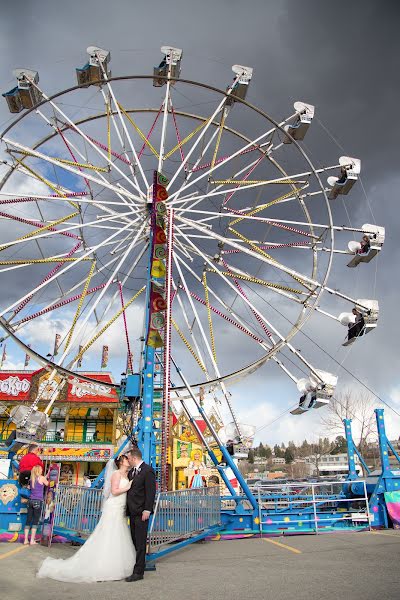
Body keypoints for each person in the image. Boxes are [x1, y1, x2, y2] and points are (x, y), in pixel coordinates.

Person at [37, 454, 135, 583]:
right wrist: (128, 487)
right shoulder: (116, 474)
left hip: (121, 507)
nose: (129, 460)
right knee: (110, 533)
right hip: (114, 506)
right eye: (127, 459)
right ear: (122, 462)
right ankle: (105, 565)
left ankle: (116, 562)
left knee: (118, 534)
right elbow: (114, 491)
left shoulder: (127, 475)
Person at [125, 447, 156, 582]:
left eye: (129, 458)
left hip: (141, 512)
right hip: (132, 511)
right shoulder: (132, 472)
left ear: (134, 458)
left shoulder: (148, 471)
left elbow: (150, 492)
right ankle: (136, 565)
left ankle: (139, 572)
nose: (128, 460)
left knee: (141, 541)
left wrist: (147, 509)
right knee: (134, 540)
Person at [24, 465, 49, 545]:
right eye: (41, 469)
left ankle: (25, 540)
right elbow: (48, 484)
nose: (42, 470)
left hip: (30, 501)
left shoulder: (32, 479)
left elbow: (29, 487)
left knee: (28, 520)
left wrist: (46, 476)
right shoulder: (42, 478)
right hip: (38, 501)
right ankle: (32, 540)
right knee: (35, 521)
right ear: (39, 470)